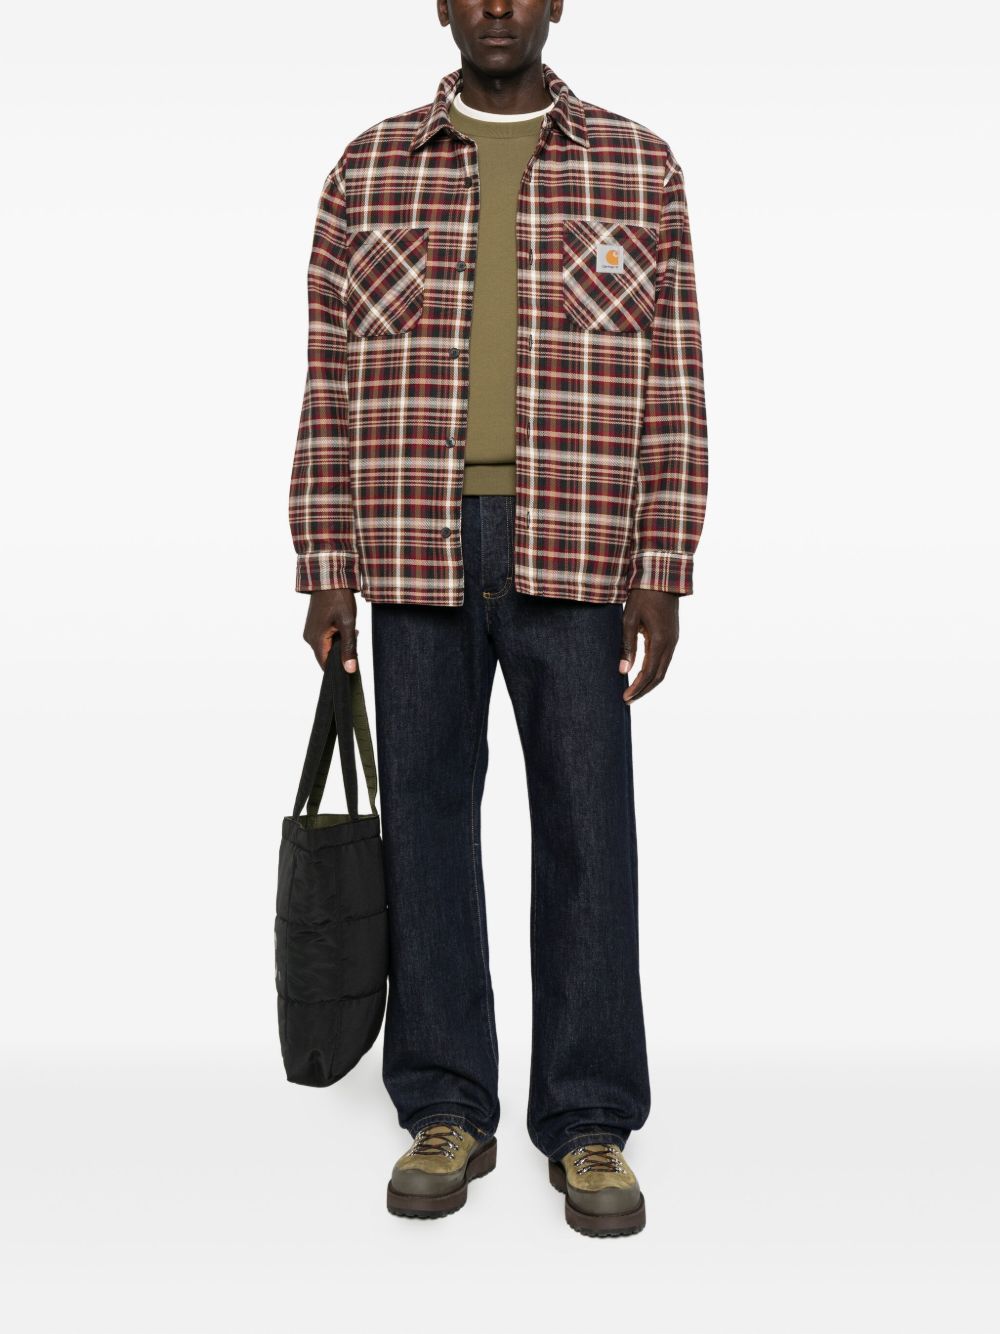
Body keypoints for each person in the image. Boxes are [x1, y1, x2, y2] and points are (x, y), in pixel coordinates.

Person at [289, 0, 707, 1239]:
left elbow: (675, 375)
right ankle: (444, 1102)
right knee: (424, 830)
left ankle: (589, 1117)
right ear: (440, 1)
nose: (497, 9)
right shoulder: (368, 166)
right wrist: (323, 564)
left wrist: (663, 562)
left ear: (557, 0)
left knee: (588, 831)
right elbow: (327, 376)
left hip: (577, 544)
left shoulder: (637, 162)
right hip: (409, 545)